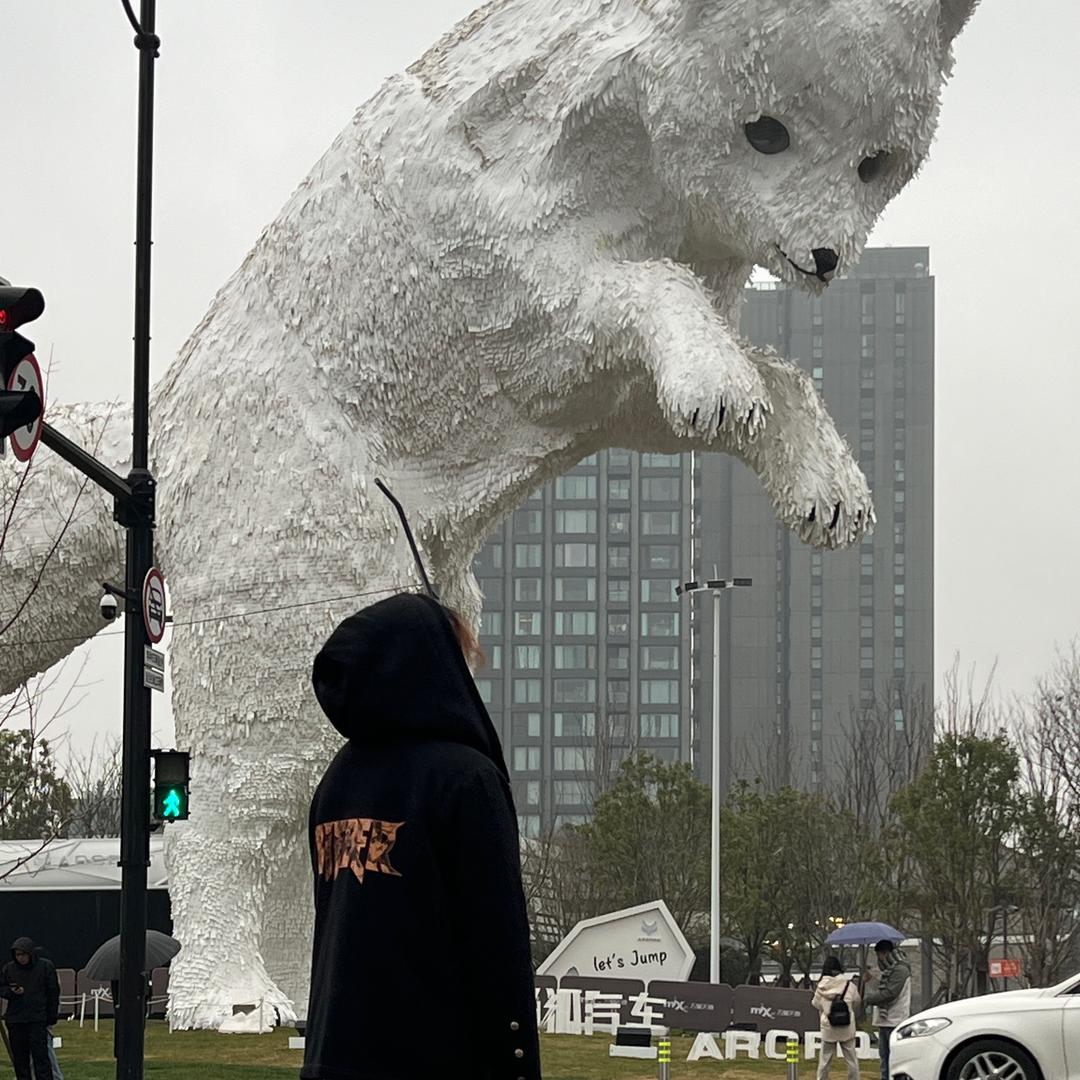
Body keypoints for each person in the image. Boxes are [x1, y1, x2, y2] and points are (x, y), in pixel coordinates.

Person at [301, 592, 541, 1080]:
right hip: (434, 1057)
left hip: (333, 1057)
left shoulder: (336, 783)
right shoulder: (465, 778)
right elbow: (497, 942)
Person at [1, 936, 59, 1080]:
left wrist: (51, 1017)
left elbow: (53, 992)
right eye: (17, 954)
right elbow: (2, 988)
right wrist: (11, 992)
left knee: (41, 1059)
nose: (20, 958)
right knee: (20, 1060)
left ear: (31, 953)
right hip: (16, 1020)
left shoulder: (45, 967)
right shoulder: (9, 969)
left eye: (23, 954)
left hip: (37, 1019)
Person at [862, 938, 912, 1080]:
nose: (879, 960)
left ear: (885, 953)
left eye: (879, 956)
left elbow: (889, 993)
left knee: (893, 1059)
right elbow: (884, 988)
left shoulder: (900, 970)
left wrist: (868, 1000)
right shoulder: (891, 970)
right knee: (885, 1058)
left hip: (895, 1020)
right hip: (886, 1020)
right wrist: (870, 980)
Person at [812, 956, 862, 1080]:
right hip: (846, 1027)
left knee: (825, 1060)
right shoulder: (849, 986)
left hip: (829, 1027)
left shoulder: (821, 987)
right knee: (851, 1059)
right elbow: (857, 1001)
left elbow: (815, 1004)